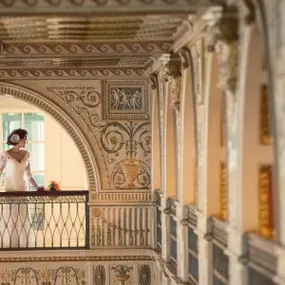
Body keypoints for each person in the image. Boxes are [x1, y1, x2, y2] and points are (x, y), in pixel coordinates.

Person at [0, 128, 43, 248]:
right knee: (10, 217)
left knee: (23, 216)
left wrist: (36, 187)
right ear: (18, 139)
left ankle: (24, 244)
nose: (26, 141)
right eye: (25, 138)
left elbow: (29, 175)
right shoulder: (5, 155)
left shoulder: (27, 154)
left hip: (22, 188)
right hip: (9, 188)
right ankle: (9, 244)